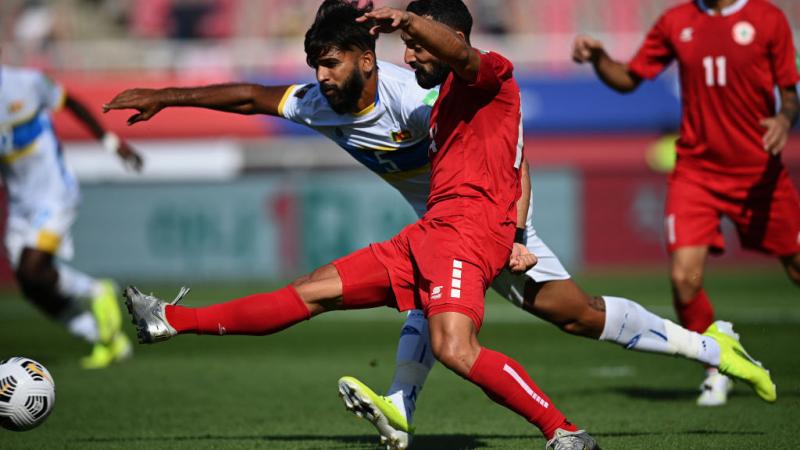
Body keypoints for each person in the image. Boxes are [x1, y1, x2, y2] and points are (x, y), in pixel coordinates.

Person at [105, 0, 775, 447]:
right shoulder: (321, 100)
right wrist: (165, 95)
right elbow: (251, 97)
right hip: (442, 229)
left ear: (368, 57)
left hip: (493, 221)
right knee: (559, 314)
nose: (317, 76)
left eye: (330, 61)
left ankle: (628, 393)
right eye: (315, 65)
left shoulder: (425, 94)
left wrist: (514, 232)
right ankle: (398, 409)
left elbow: (509, 146)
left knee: (554, 319)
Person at [572, 0, 799, 406]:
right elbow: (628, 78)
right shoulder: (677, 21)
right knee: (683, 279)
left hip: (759, 172)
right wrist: (601, 57)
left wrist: (783, 120)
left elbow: (790, 93)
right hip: (697, 171)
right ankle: (718, 365)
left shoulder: (767, 18)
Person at [0, 62, 143, 369]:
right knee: (32, 287)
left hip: (54, 194)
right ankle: (106, 340)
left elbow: (71, 102)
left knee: (31, 268)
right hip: (19, 204)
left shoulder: (27, 84)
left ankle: (95, 290)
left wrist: (111, 142)